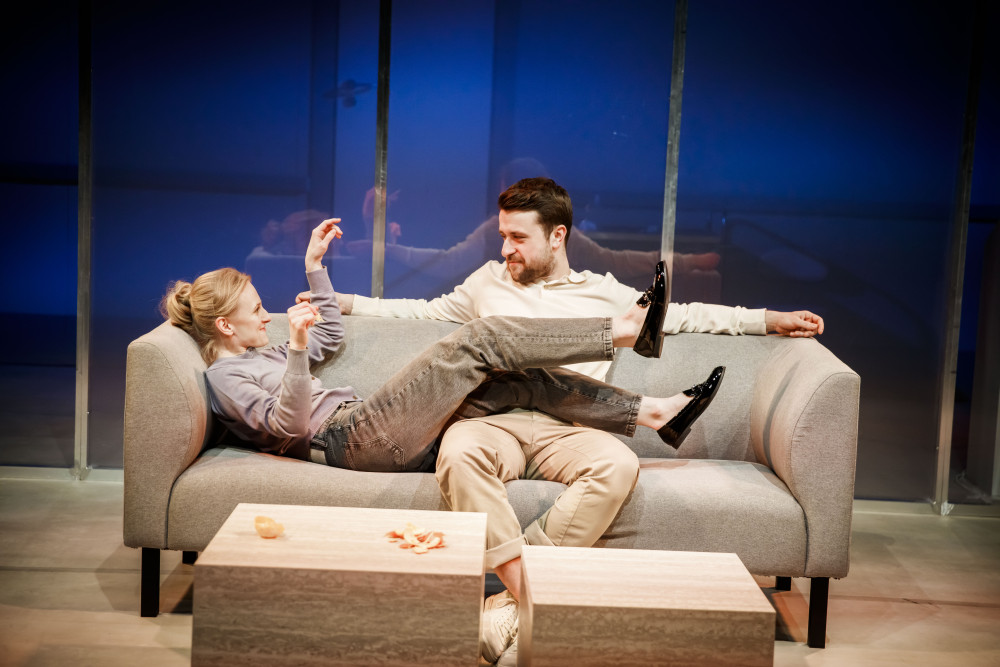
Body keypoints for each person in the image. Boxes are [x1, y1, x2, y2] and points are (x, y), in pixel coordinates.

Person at [333, 178, 824, 665]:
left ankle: (510, 599)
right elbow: (421, 312)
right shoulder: (486, 283)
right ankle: (530, 595)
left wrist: (767, 319)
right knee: (458, 453)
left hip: (570, 427)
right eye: (503, 236)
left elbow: (684, 315)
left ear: (558, 236)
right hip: (492, 420)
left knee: (619, 465)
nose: (506, 249)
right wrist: (348, 303)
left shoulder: (602, 292)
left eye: (518, 237)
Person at [161, 217, 725, 481]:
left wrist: (315, 268)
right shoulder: (226, 379)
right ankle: (623, 330)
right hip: (346, 440)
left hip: (369, 426)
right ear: (225, 326)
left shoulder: (259, 353)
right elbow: (286, 426)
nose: (269, 316)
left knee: (515, 378)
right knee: (481, 338)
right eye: (257, 310)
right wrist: (297, 350)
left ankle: (656, 414)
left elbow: (330, 335)